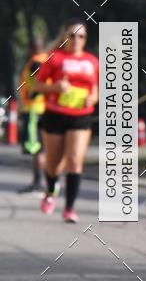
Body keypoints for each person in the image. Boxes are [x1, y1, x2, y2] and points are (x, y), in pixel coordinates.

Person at [34, 20, 99, 223]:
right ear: (65, 37)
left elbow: (95, 88)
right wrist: (55, 89)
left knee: (74, 161)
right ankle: (51, 189)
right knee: (53, 165)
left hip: (80, 116)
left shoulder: (92, 61)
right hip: (55, 115)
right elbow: (36, 85)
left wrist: (93, 99)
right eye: (72, 35)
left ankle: (69, 209)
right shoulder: (55, 58)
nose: (77, 40)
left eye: (81, 36)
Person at [17, 36, 49, 193]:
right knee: (41, 148)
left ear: (31, 47)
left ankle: (38, 182)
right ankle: (40, 181)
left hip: (34, 111)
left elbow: (38, 82)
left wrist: (32, 95)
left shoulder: (36, 62)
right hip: (44, 109)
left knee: (37, 148)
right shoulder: (45, 60)